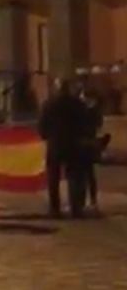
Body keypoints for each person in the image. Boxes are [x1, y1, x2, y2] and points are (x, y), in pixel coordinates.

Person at [38, 79, 90, 218]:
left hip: (55, 145)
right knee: (74, 176)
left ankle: (55, 209)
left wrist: (46, 136)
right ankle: (76, 208)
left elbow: (42, 127)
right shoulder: (78, 104)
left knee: (53, 178)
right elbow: (85, 123)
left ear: (56, 89)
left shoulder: (48, 105)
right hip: (74, 144)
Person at [81, 88, 111, 212]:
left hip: (86, 145)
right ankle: (92, 200)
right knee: (89, 174)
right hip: (90, 144)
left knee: (85, 174)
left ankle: (88, 200)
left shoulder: (89, 112)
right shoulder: (95, 112)